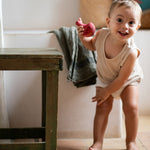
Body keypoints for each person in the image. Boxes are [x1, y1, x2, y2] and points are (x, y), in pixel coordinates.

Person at [77, 0, 143, 150]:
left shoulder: (131, 52)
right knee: (102, 108)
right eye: (119, 20)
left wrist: (107, 91)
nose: (125, 26)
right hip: (106, 78)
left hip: (127, 81)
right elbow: (91, 45)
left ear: (137, 27)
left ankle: (131, 142)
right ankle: (98, 142)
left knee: (131, 107)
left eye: (131, 23)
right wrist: (83, 38)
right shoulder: (101, 35)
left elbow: (122, 79)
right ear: (108, 21)